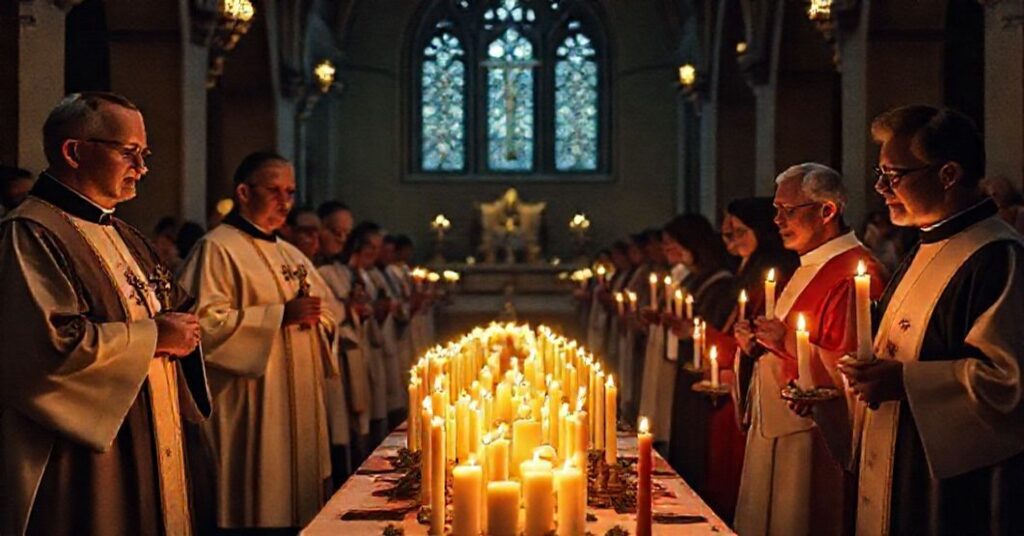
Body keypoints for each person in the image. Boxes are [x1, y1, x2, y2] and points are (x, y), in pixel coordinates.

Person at [0, 92, 208, 536]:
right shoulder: (31, 232)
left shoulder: (125, 234)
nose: (143, 167)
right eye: (129, 152)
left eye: (144, 154)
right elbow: (45, 352)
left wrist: (183, 328)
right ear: (73, 151)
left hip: (150, 429)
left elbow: (174, 308)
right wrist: (154, 336)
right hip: (88, 458)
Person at [842, 105, 1024, 535]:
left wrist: (905, 381)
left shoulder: (996, 256)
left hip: (950, 494)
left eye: (893, 175)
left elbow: (1010, 385)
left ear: (948, 175)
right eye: (880, 173)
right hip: (895, 464)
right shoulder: (925, 246)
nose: (880, 188)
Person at [177, 150, 345, 530]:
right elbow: (199, 325)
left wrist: (320, 322)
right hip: (252, 405)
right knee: (257, 508)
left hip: (298, 400)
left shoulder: (292, 254)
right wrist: (277, 317)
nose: (285, 202)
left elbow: (330, 315)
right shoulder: (216, 248)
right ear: (243, 192)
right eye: (274, 190)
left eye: (291, 191)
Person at [733, 163, 886, 536]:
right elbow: (784, 346)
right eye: (776, 210)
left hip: (810, 437)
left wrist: (784, 341)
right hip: (777, 424)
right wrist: (754, 346)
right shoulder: (807, 266)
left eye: (789, 211)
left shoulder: (853, 272)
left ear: (827, 211)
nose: (778, 220)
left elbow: (852, 368)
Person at [659, 214, 734, 489]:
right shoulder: (695, 279)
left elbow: (713, 324)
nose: (671, 251)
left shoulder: (720, 283)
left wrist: (690, 328)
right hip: (688, 362)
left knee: (697, 438)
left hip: (704, 364)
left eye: (675, 244)